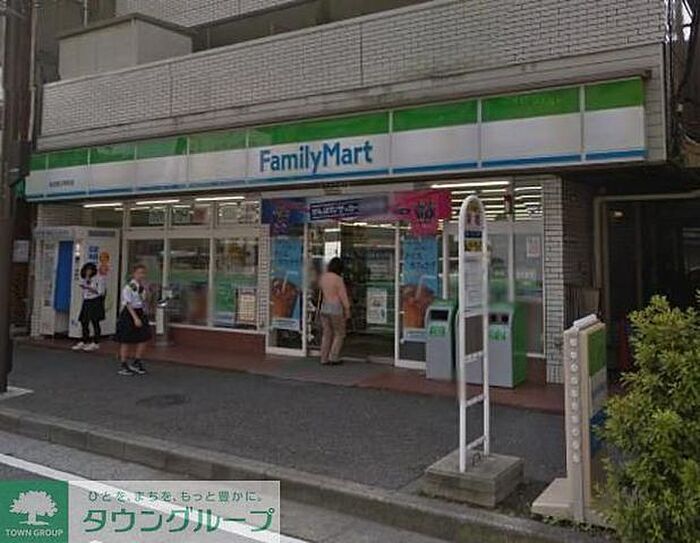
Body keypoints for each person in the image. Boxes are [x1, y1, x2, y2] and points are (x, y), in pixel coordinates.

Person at [114, 264, 151, 376]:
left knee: (144, 337)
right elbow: (127, 303)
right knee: (126, 339)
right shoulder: (129, 287)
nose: (141, 275)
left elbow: (146, 300)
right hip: (130, 313)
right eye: (139, 273)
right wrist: (135, 318)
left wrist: (147, 290)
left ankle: (137, 361)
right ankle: (123, 363)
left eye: (143, 273)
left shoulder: (142, 287)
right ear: (134, 274)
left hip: (140, 311)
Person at [318, 257, 350, 365]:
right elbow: (343, 296)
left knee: (326, 334)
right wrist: (347, 309)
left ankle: (323, 357)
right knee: (339, 333)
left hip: (324, 307)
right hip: (335, 308)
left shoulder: (323, 277)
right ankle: (333, 357)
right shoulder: (338, 279)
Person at [72, 262, 106, 352]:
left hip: (95, 301)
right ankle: (84, 340)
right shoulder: (85, 279)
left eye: (90, 270)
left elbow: (101, 292)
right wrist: (85, 282)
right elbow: (82, 287)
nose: (88, 272)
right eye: (86, 270)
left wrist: (89, 288)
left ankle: (96, 342)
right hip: (87, 300)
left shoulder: (99, 278)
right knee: (84, 321)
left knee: (95, 321)